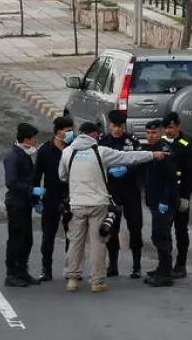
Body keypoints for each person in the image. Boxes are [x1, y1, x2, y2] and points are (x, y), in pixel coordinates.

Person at [58, 121, 162, 293]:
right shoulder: (101, 152)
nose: (98, 137)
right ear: (92, 135)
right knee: (98, 242)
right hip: (98, 204)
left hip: (76, 203)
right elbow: (128, 157)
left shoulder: (67, 152)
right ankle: (96, 281)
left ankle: (72, 279)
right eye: (97, 134)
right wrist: (153, 154)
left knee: (76, 241)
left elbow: (62, 176)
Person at [99, 110, 146, 279]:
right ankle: (113, 265)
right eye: (114, 126)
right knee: (112, 227)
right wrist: (110, 171)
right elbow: (98, 162)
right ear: (109, 125)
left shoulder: (132, 141)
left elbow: (140, 161)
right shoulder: (103, 141)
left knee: (135, 227)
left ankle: (137, 266)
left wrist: (127, 168)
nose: (117, 130)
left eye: (120, 127)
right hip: (112, 191)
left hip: (130, 190)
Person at [140, 119, 182, 287]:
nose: (150, 136)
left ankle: (165, 274)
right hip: (155, 200)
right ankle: (163, 267)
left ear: (161, 133)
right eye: (148, 133)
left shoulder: (164, 151)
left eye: (154, 133)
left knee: (161, 236)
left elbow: (171, 180)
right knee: (159, 236)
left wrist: (164, 201)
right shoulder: (153, 149)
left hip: (164, 202)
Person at [2, 122, 43, 287]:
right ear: (27, 139)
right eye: (34, 139)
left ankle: (22, 271)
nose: (35, 142)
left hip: (25, 203)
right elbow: (11, 183)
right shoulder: (13, 156)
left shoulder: (24, 154)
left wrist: (35, 201)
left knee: (27, 240)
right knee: (16, 240)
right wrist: (32, 190)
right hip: (16, 204)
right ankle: (11, 274)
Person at [34, 116, 74, 282]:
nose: (71, 133)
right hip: (50, 196)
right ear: (58, 132)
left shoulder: (73, 149)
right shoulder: (44, 150)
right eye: (68, 131)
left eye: (72, 130)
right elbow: (36, 175)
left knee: (72, 235)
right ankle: (46, 269)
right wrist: (36, 198)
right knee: (48, 235)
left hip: (71, 196)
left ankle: (71, 269)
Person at [163, 112, 192, 279]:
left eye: (170, 127)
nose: (168, 131)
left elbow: (190, 175)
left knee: (181, 231)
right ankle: (165, 263)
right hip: (165, 196)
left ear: (178, 126)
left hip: (179, 195)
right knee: (163, 231)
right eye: (166, 127)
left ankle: (181, 264)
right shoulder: (161, 144)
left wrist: (186, 197)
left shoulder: (186, 146)